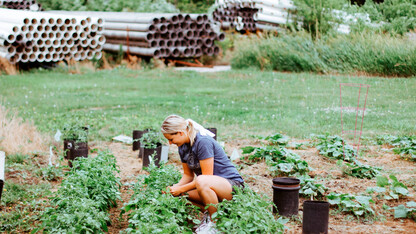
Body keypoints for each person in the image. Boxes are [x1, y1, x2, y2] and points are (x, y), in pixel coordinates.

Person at [161, 114, 244, 225]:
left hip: (232, 187)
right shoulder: (182, 147)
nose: (170, 143)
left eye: (171, 139)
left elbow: (206, 178)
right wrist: (175, 188)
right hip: (211, 187)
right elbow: (188, 175)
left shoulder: (202, 141)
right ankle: (214, 214)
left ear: (180, 133)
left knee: (200, 181)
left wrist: (181, 189)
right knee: (179, 194)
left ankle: (214, 224)